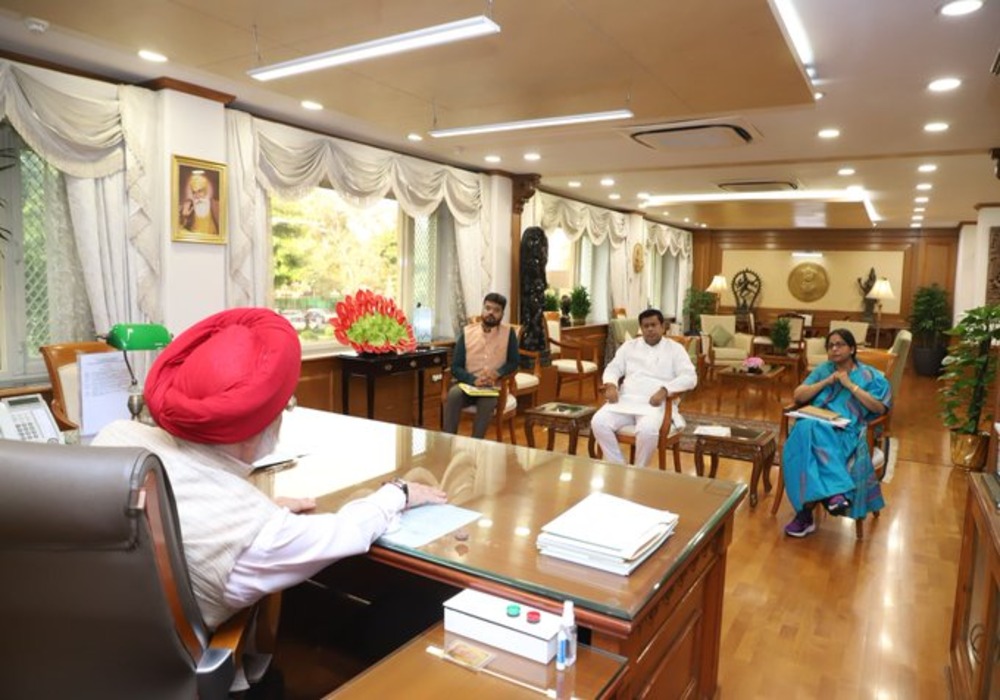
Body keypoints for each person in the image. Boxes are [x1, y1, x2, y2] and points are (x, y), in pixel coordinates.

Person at [93, 307, 447, 631]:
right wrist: (397, 493)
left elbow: (176, 512)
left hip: (96, 640)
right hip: (180, 667)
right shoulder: (259, 536)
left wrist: (267, 511)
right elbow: (347, 531)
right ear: (254, 431)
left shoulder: (114, 438)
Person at [781, 328, 891, 538]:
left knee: (804, 443)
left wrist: (851, 386)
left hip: (845, 431)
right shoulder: (824, 370)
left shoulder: (871, 376)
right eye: (830, 346)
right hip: (814, 425)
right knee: (806, 428)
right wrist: (827, 381)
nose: (834, 349)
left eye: (839, 344)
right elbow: (798, 394)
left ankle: (804, 516)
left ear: (852, 349)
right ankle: (835, 493)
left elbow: (880, 408)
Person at [590, 309, 697, 467]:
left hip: (655, 404)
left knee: (647, 431)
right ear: (641, 327)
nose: (650, 329)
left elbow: (690, 377)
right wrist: (611, 384)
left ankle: (639, 471)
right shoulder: (629, 346)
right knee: (598, 422)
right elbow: (613, 368)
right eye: (645, 326)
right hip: (626, 401)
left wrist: (665, 390)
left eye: (654, 325)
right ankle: (619, 467)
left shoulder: (675, 349)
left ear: (663, 326)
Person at [442, 292, 519, 439]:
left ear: (502, 313)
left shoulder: (509, 334)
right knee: (454, 394)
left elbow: (514, 362)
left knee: (487, 403)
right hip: (468, 385)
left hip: (493, 387)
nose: (491, 313)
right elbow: (456, 366)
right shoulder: (467, 332)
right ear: (482, 309)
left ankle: (476, 445)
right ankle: (447, 441)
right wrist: (472, 380)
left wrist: (498, 373)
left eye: (496, 310)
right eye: (488, 308)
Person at [179, 170, 220, 235]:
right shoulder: (189, 206)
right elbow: (179, 228)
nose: (197, 196)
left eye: (200, 191)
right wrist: (185, 218)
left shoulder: (216, 205)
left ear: (205, 191)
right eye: (194, 192)